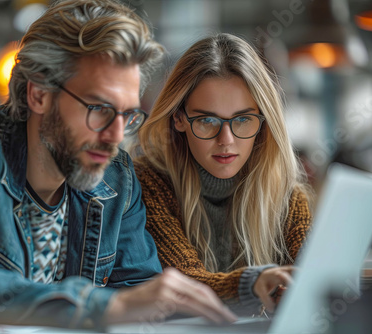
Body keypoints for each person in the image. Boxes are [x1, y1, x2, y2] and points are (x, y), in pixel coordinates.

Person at [0, 1, 236, 329]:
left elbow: (137, 293)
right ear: (39, 95)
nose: (116, 136)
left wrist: (244, 287)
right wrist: (103, 306)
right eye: (100, 109)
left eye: (127, 114)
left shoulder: (117, 176)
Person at [132, 33, 314, 314]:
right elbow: (187, 285)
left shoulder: (287, 197)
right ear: (179, 118)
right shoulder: (148, 185)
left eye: (243, 119)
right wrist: (255, 284)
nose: (226, 139)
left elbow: (311, 279)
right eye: (207, 120)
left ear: (264, 121)